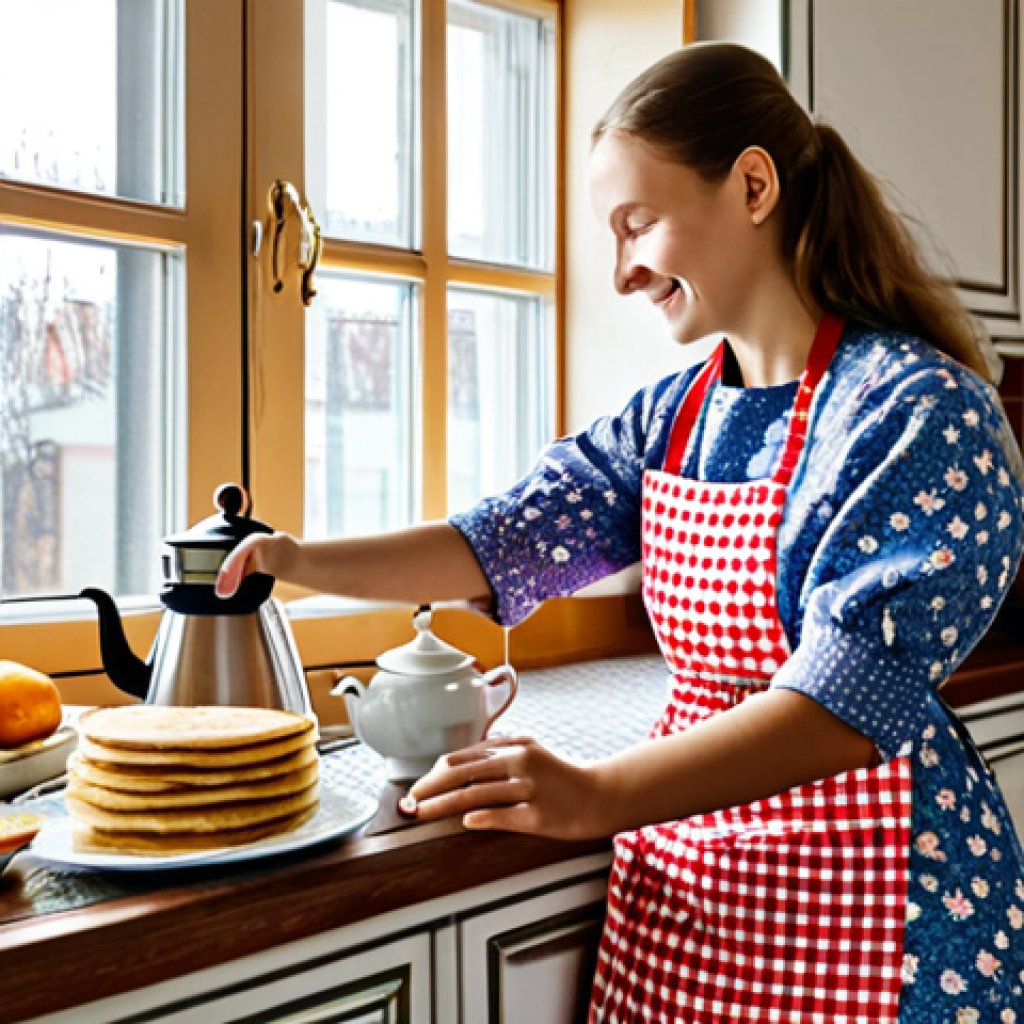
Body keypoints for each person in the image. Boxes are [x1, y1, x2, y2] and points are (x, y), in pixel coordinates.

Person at [218, 42, 1024, 1024]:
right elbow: (501, 540)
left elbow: (839, 705)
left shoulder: (918, 409)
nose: (620, 272)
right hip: (691, 899)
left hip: (889, 919)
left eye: (635, 223)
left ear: (753, 185)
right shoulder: (672, 416)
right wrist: (296, 562)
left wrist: (597, 793)